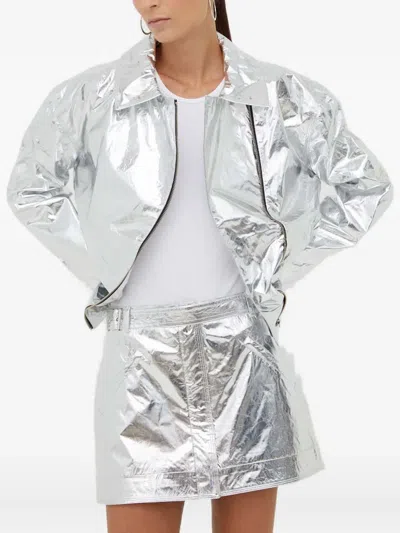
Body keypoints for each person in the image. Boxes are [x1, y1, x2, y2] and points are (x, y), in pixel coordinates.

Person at [6, 1, 394, 532]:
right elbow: (31, 190)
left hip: (245, 358)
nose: (148, 1)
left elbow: (364, 187)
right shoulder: (92, 97)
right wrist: (107, 271)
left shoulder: (281, 96)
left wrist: (276, 266)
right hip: (140, 362)